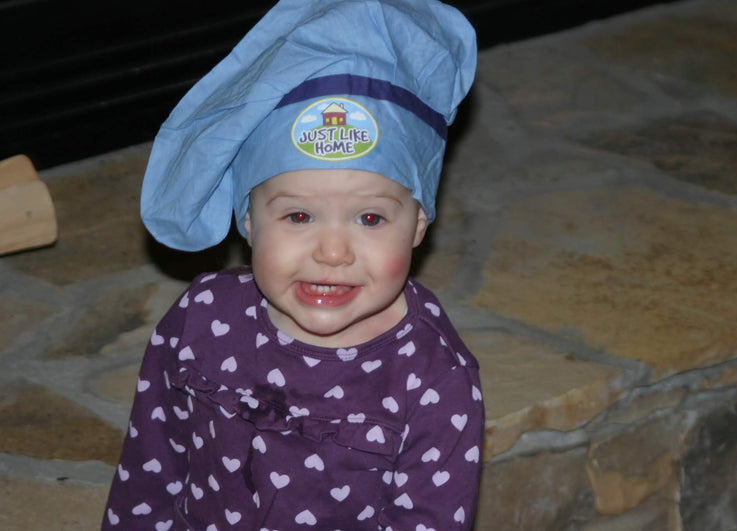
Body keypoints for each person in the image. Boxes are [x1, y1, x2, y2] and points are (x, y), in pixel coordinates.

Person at [103, 0, 483, 529]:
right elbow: (151, 463)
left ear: (419, 225)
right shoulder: (203, 316)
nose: (332, 252)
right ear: (249, 221)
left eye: (370, 218)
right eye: (298, 215)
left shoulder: (432, 375)